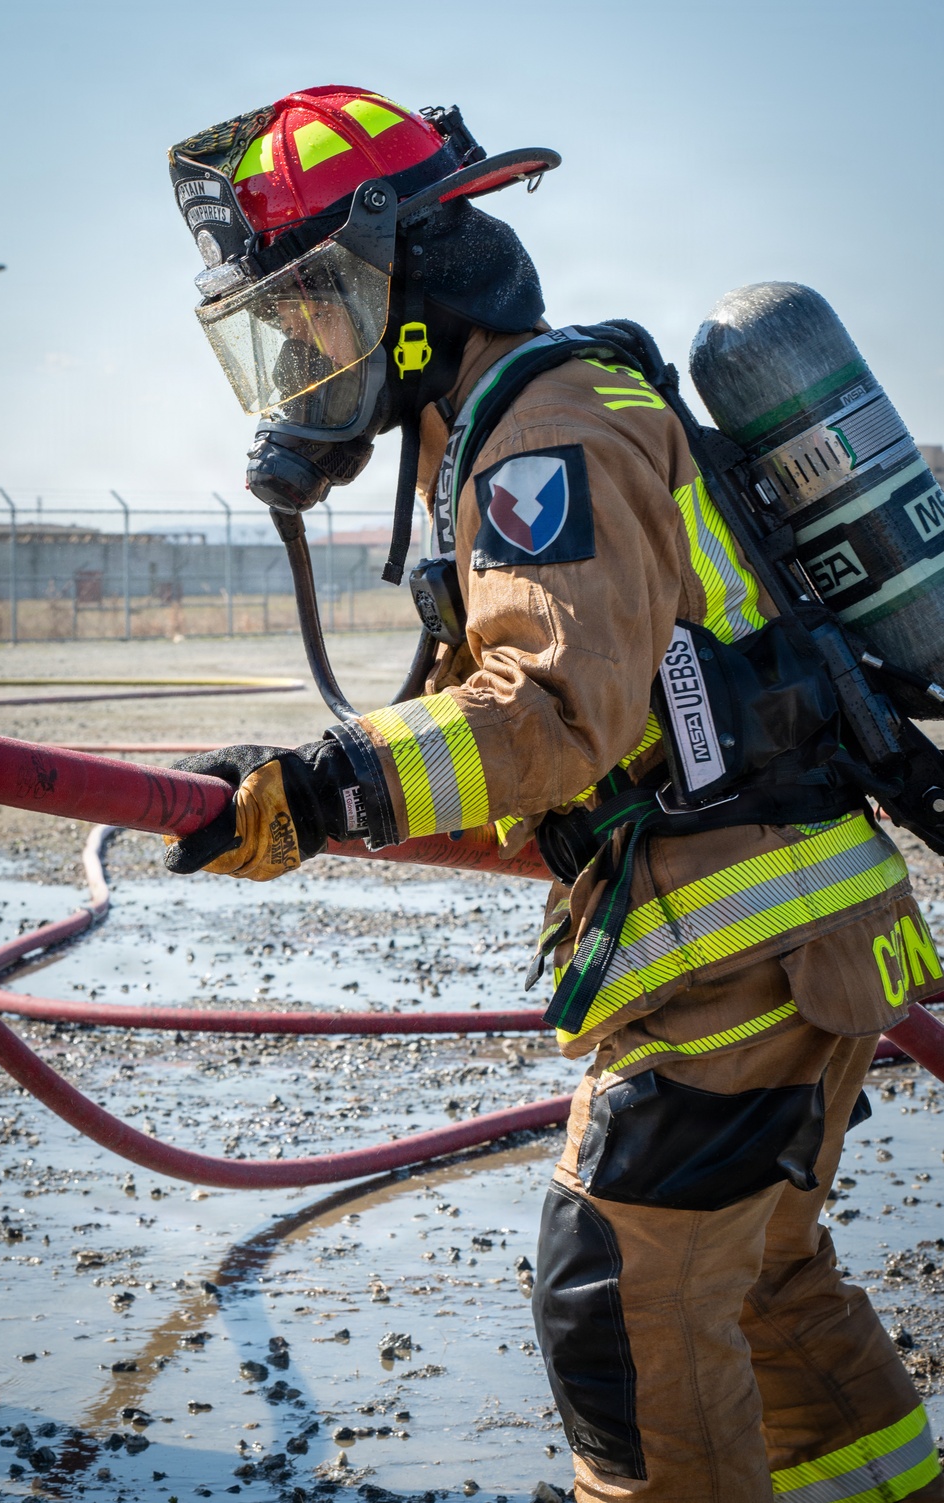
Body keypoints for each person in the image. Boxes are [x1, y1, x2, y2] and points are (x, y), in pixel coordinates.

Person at [164, 86, 944, 1501]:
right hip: (803, 931)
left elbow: (556, 712)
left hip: (741, 954)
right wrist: (320, 791)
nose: (303, 353)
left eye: (312, 310)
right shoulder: (515, 423)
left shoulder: (545, 433)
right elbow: (529, 738)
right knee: (763, 1285)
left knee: (620, 1308)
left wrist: (322, 786)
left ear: (403, 285)